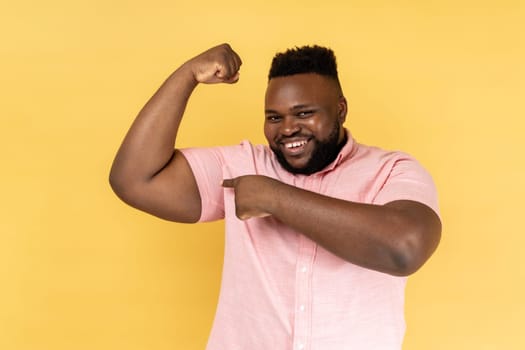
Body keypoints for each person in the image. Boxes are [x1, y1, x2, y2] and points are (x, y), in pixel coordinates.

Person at [109, 43, 441, 350]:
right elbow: (135, 180)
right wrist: (187, 76)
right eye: (274, 117)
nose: (287, 129)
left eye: (304, 113)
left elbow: (404, 249)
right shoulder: (242, 164)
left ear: (340, 110)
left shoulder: (392, 171)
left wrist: (275, 197)